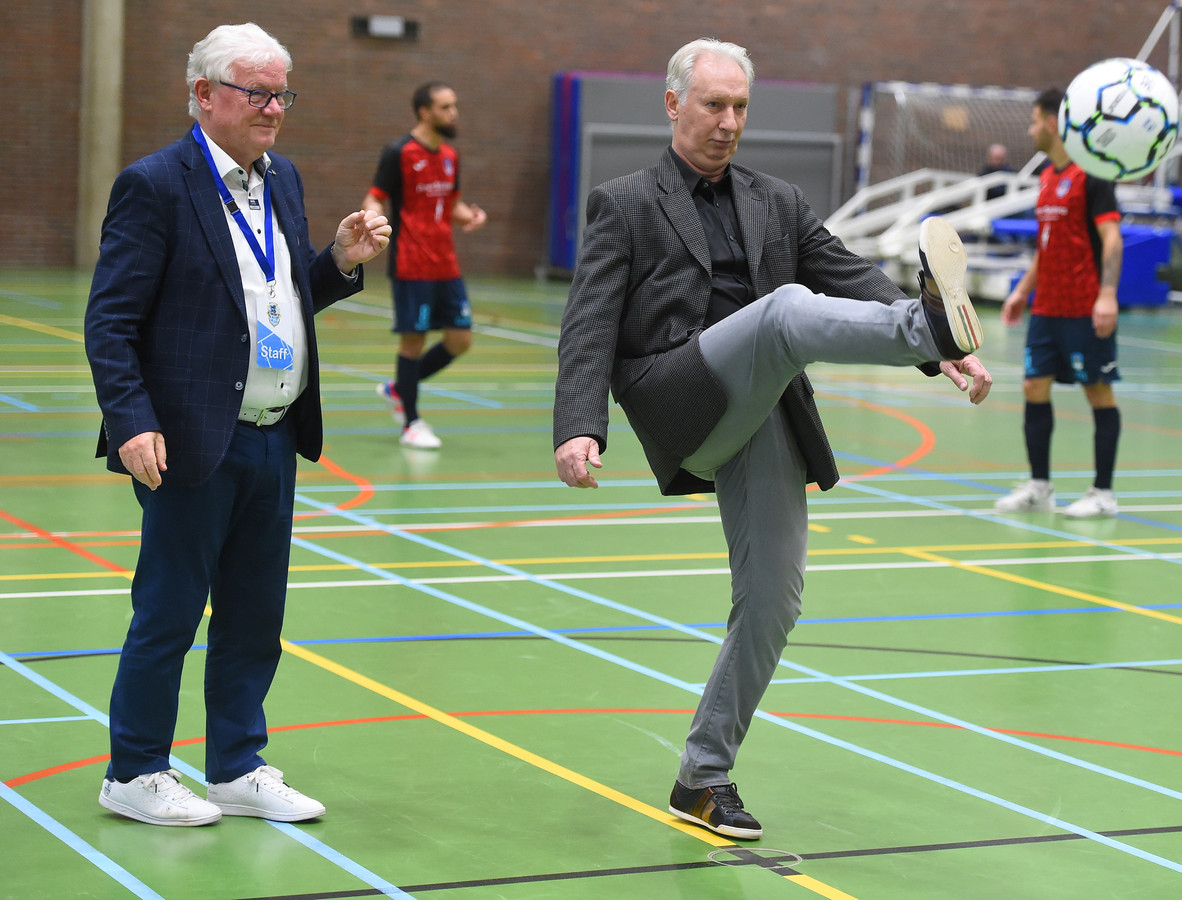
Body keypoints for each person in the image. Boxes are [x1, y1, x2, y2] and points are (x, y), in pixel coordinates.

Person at [552, 38, 991, 840]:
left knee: (774, 602)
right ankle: (927, 321)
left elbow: (850, 273)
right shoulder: (626, 201)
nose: (728, 122)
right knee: (787, 310)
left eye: (741, 107)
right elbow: (589, 322)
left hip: (761, 406)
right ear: (673, 103)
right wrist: (581, 426)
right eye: (714, 105)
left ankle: (702, 776)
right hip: (678, 393)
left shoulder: (776, 199)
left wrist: (948, 354)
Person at [84, 22, 391, 826]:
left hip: (273, 434)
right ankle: (135, 769)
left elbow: (277, 302)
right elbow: (110, 321)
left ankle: (235, 764)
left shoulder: (280, 179)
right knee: (170, 610)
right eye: (256, 91)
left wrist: (338, 262)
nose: (273, 107)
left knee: (257, 616)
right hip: (188, 439)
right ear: (203, 95)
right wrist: (130, 420)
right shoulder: (154, 185)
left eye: (282, 91)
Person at [996, 88, 1124, 518]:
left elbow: (1112, 240)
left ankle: (1103, 494)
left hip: (1085, 307)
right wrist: (1022, 290)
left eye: (1034, 121)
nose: (1031, 129)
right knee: (1034, 386)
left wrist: (1107, 294)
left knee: (1097, 391)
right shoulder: (1048, 177)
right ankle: (1039, 486)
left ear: (1052, 122)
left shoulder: (1095, 177)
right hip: (1047, 308)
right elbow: (1046, 248)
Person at [363, 81, 488, 450]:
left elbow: (451, 204)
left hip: (446, 263)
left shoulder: (450, 155)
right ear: (425, 112)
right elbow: (376, 196)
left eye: (454, 106)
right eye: (446, 107)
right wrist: (372, 218)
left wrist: (471, 216)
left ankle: (397, 389)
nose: (454, 113)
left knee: (460, 339)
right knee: (413, 341)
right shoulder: (398, 152)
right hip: (411, 262)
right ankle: (411, 423)